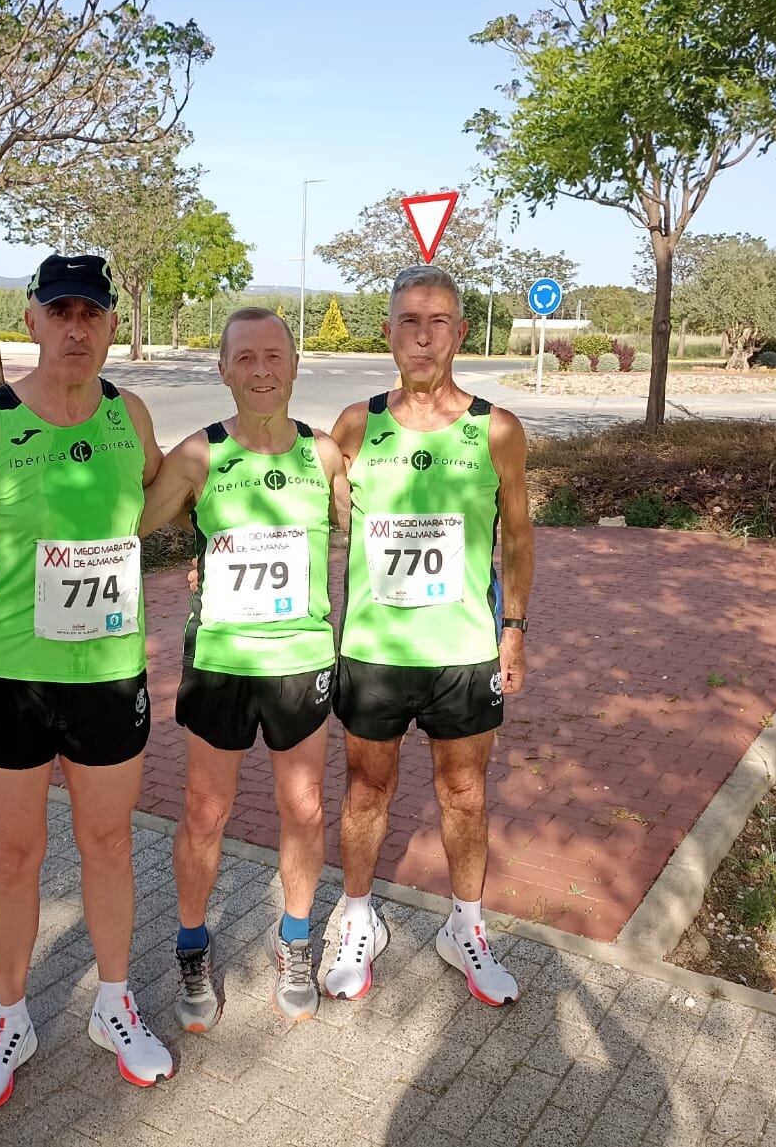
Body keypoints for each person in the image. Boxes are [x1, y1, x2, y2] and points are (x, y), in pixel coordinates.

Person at [0, 254, 174, 1111]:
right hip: (8, 678)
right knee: (14, 854)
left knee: (108, 843)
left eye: (91, 313)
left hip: (109, 674)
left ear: (107, 324)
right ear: (31, 319)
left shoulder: (129, 413)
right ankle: (11, 1016)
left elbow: (166, 500)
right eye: (59, 311)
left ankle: (112, 1003)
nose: (76, 327)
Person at [322, 264, 534, 1006]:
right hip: (374, 652)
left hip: (465, 651)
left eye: (438, 320)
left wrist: (514, 630)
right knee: (365, 792)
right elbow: (311, 517)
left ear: (460, 332)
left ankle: (466, 927)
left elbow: (519, 540)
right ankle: (356, 918)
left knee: (466, 795)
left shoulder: (496, 429)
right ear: (388, 332)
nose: (423, 335)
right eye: (409, 320)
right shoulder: (356, 424)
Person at [139, 307, 349, 1029]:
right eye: (245, 358)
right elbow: (128, 521)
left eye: (274, 356)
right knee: (206, 811)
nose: (261, 370)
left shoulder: (323, 457)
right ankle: (192, 945)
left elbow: (369, 533)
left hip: (301, 658)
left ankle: (294, 939)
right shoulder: (199, 455)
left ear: (294, 365)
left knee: (306, 807)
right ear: (222, 369)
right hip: (222, 659)